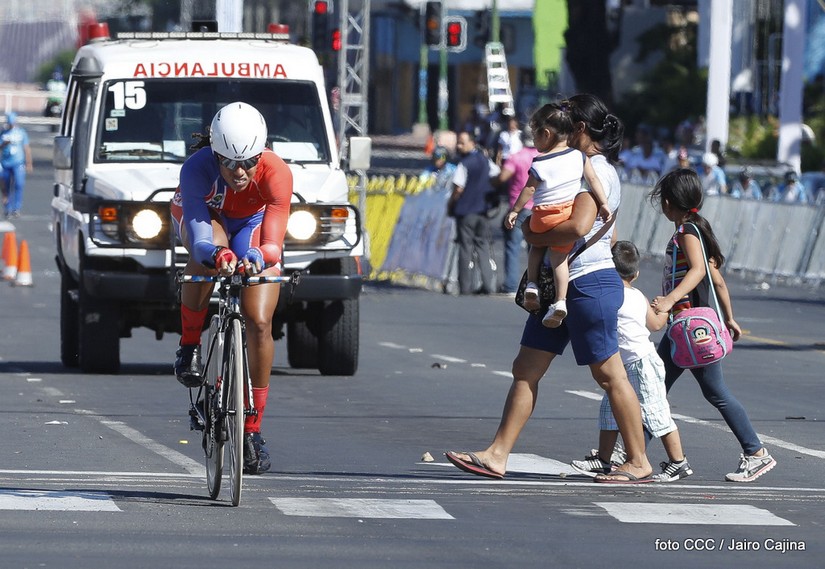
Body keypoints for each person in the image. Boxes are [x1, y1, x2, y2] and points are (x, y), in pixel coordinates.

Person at [445, 93, 654, 484]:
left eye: (564, 121)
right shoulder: (570, 165)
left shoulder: (595, 169)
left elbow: (578, 226)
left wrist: (531, 231)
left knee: (609, 375)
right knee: (525, 368)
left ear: (577, 129)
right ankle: (496, 454)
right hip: (562, 282)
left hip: (588, 282)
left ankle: (639, 460)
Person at [170, 101, 293, 475]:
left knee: (258, 321)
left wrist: (258, 255)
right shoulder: (197, 168)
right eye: (229, 162)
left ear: (262, 153)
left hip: (253, 222)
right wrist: (217, 254)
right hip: (209, 217)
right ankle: (189, 345)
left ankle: (253, 430)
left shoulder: (277, 173)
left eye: (249, 162)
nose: (239, 172)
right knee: (206, 259)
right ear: (215, 153)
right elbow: (201, 235)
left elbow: (273, 242)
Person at [649, 168, 776, 482]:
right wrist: (728, 317)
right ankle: (632, 455)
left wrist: (668, 300)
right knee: (656, 388)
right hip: (688, 327)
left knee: (686, 390)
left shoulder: (687, 233)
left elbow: (698, 273)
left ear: (668, 202)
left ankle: (756, 452)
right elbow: (717, 281)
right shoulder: (694, 230)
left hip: (691, 329)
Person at [571, 240, 693, 483]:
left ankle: (678, 462)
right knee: (610, 410)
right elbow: (657, 325)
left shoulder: (610, 296)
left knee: (655, 412)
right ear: (635, 274)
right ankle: (604, 460)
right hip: (621, 366)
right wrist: (664, 309)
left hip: (641, 363)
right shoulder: (637, 296)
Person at [504, 102, 611, 329]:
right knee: (559, 260)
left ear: (546, 134)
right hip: (564, 213)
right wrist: (603, 204)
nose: (533, 140)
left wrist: (514, 210)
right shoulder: (580, 157)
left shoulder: (540, 162)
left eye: (534, 135)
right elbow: (593, 181)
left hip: (542, 215)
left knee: (536, 247)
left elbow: (529, 190)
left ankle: (532, 284)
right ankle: (560, 301)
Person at [448, 130, 500, 295]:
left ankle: (465, 286)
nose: (459, 145)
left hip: (466, 211)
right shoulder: (484, 160)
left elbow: (458, 187)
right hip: (482, 211)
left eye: (462, 142)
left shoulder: (464, 163)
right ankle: (488, 284)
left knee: (465, 248)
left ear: (472, 143)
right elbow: (497, 174)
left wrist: (451, 204)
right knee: (483, 246)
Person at [496, 129, 538, 294]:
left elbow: (503, 177)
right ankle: (534, 284)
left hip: (518, 207)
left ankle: (512, 284)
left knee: (513, 246)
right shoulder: (541, 157)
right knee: (535, 249)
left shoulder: (517, 157)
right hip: (537, 208)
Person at [1, 112, 33, 219]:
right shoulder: (3, 133)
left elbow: (26, 148)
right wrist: (4, 144)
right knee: (6, 186)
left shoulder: (21, 133)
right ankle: (7, 208)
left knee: (19, 185)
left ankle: (17, 208)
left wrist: (29, 163)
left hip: (18, 163)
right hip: (5, 163)